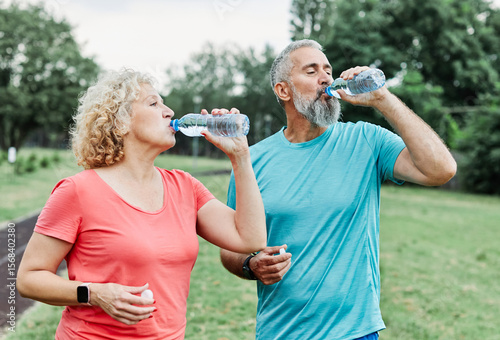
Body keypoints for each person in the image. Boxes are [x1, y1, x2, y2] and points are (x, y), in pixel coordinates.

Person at [220, 39, 456, 340]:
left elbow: (441, 169)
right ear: (284, 90)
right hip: (280, 332)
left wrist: (384, 99)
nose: (326, 78)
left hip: (355, 332)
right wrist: (251, 265)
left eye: (328, 71)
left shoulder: (366, 141)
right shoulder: (251, 159)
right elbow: (230, 247)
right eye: (312, 70)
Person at [17, 69, 267, 339]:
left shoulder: (186, 187)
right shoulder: (77, 191)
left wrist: (240, 157)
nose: (169, 111)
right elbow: (29, 278)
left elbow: (250, 239)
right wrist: (93, 293)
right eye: (153, 103)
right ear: (121, 122)